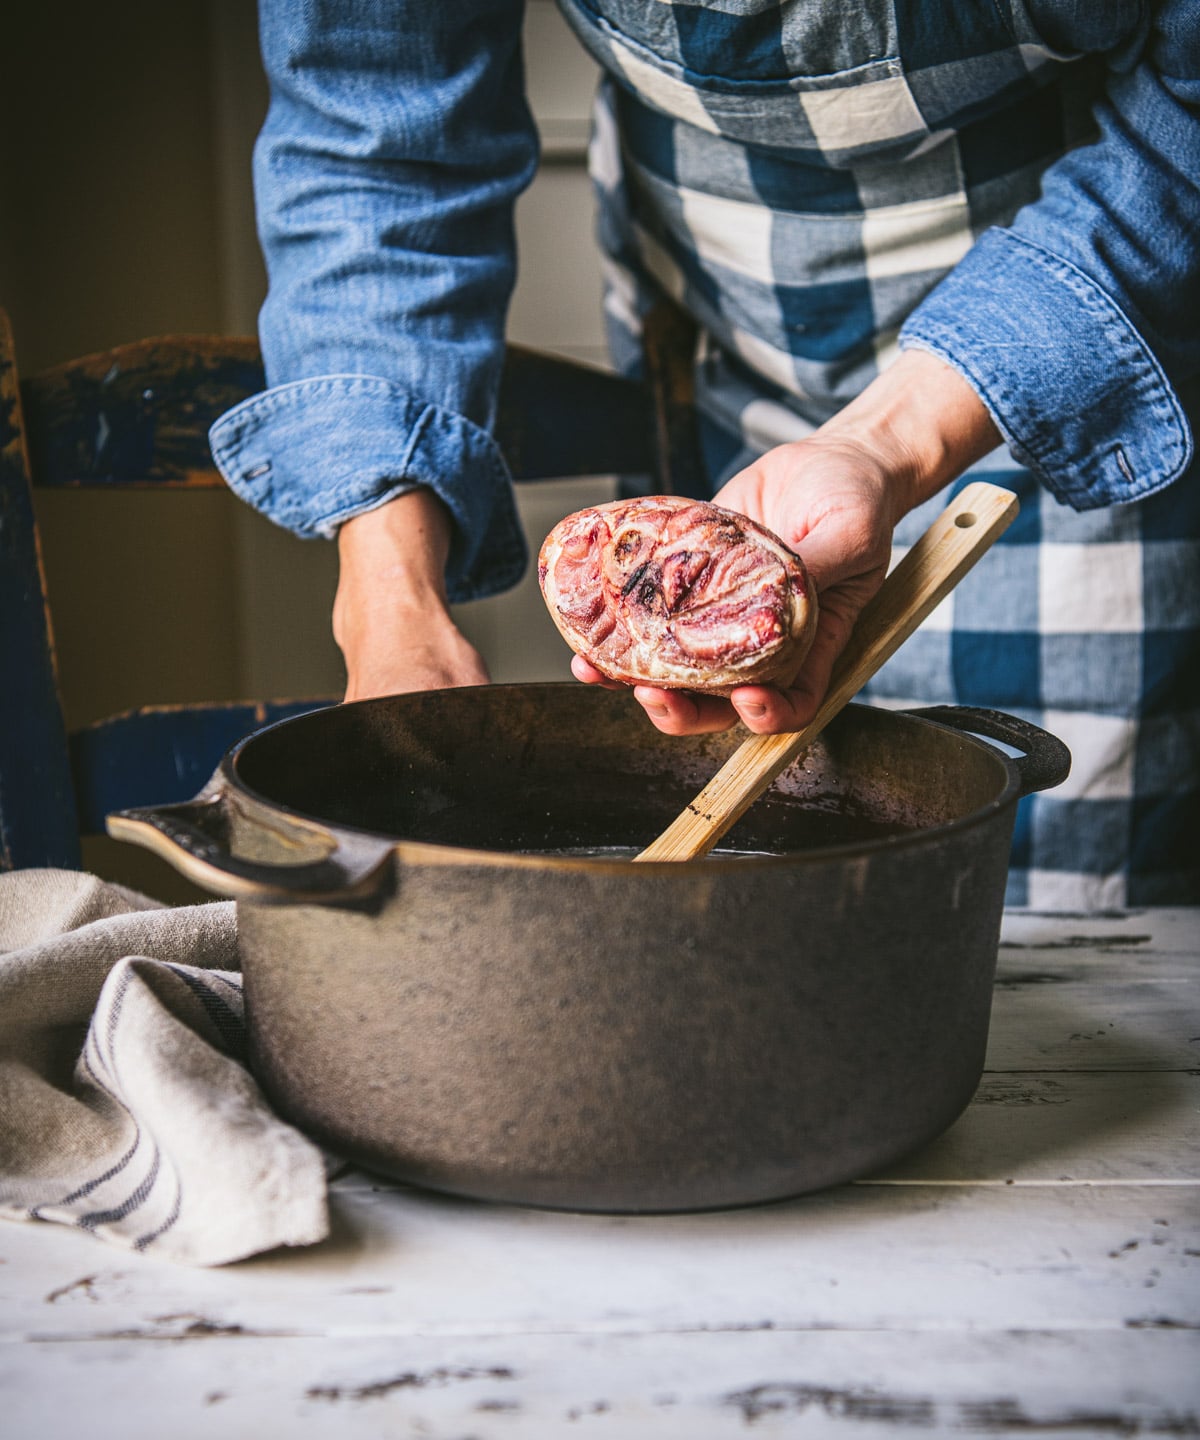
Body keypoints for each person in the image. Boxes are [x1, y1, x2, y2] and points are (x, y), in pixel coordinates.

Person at [210, 1, 1199, 908]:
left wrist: (884, 437)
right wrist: (391, 602)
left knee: (1049, 908)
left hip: (1082, 330)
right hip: (720, 313)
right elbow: (377, 142)